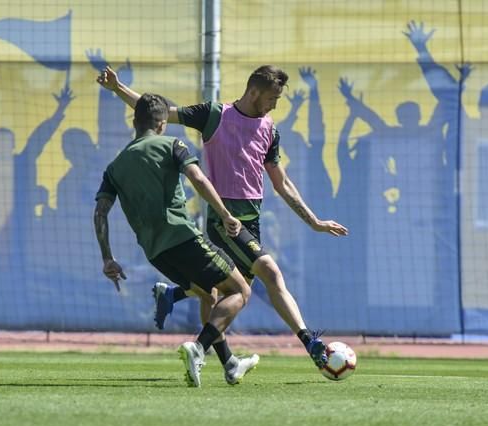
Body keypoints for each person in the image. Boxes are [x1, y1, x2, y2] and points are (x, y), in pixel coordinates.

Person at [97, 64, 349, 369]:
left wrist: (314, 221)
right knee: (270, 273)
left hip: (251, 221)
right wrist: (118, 88)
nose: (274, 104)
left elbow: (281, 183)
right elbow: (159, 113)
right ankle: (311, 343)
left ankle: (180, 303)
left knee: (217, 293)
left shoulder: (270, 130)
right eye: (272, 98)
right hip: (224, 220)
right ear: (254, 91)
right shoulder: (213, 115)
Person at [93, 93, 254, 387]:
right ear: (163, 123)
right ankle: (199, 348)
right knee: (240, 290)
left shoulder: (115, 166)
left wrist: (107, 257)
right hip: (183, 237)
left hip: (156, 252)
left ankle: (230, 364)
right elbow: (198, 179)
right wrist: (226, 214)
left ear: (134, 121)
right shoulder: (172, 144)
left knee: (210, 295)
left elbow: (100, 213)